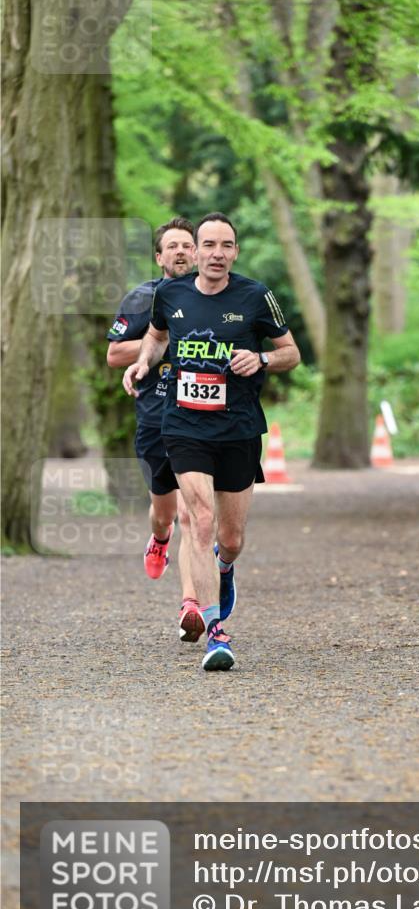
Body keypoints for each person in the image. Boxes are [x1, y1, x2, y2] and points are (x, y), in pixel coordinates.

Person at [122, 212, 301, 671]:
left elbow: (291, 353)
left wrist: (260, 358)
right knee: (199, 520)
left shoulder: (255, 296)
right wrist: (143, 363)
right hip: (183, 426)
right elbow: (158, 336)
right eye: (208, 245)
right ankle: (215, 630)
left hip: (238, 428)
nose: (217, 253)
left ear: (235, 252)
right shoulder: (170, 293)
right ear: (195, 251)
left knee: (231, 538)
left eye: (226, 245)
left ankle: (225, 568)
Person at [107, 217, 214, 640]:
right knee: (165, 513)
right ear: (159, 256)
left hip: (199, 418)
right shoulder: (142, 298)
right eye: (173, 247)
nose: (182, 252)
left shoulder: (215, 297)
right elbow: (115, 354)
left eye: (188, 245)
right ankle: (158, 539)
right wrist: (165, 337)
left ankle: (191, 603)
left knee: (193, 512)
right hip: (154, 417)